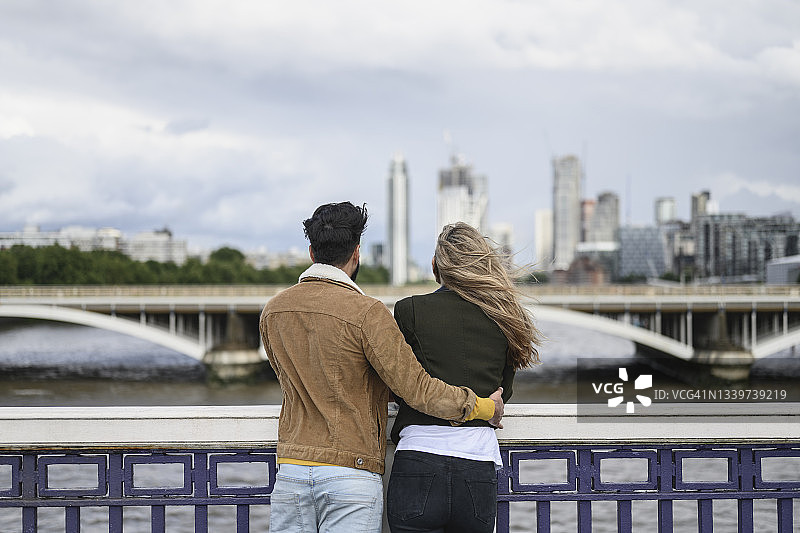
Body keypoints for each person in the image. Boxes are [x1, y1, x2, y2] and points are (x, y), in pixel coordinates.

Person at [260, 203, 505, 533]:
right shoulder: (367, 314)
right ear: (357, 253)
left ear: (311, 252)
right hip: (351, 472)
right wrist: (484, 407)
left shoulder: (273, 311)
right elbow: (415, 389)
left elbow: (291, 380)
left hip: (291, 469)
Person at [387, 222, 543, 533]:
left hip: (418, 460)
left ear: (435, 265)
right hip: (477, 466)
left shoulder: (408, 310)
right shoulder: (505, 316)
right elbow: (503, 393)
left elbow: (398, 385)